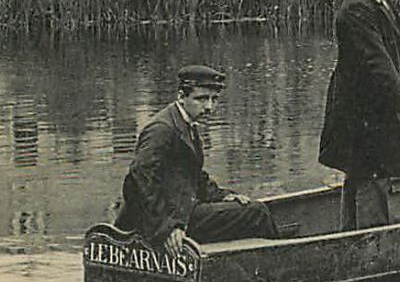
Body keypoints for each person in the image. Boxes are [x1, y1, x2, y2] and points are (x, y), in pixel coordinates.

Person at [115, 65, 281, 254]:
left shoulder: (184, 123)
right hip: (162, 221)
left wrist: (222, 195)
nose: (209, 107)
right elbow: (139, 178)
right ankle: (279, 263)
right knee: (256, 213)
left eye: (214, 99)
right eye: (201, 99)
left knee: (245, 207)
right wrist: (166, 228)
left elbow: (192, 175)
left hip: (180, 211)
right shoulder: (162, 129)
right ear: (181, 96)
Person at [318, 0, 400, 231]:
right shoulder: (356, 9)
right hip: (360, 111)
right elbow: (378, 61)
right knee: (371, 175)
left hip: (376, 106)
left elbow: (391, 58)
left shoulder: (381, 0)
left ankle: (350, 236)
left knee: (362, 173)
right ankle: (371, 244)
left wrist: (397, 103)